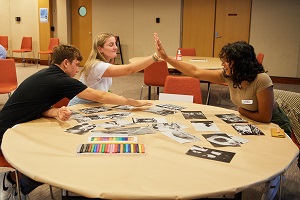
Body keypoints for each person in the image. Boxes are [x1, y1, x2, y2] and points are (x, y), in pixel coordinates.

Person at [0, 44, 152, 199]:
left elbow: (36, 105)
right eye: (76, 65)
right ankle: (12, 181)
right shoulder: (60, 79)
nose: (77, 70)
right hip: (7, 134)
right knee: (56, 157)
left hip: (16, 124)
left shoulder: (46, 73)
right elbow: (99, 96)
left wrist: (56, 111)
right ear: (66, 63)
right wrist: (133, 102)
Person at [154, 33, 291, 200]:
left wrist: (241, 110)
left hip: (274, 125)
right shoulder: (230, 76)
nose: (223, 64)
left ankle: (273, 180)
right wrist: (167, 57)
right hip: (249, 120)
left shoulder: (261, 80)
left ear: (241, 62)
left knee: (264, 161)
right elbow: (195, 72)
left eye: (227, 61)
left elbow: (264, 117)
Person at [68, 32, 160, 106]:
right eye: (111, 45)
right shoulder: (97, 66)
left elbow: (103, 90)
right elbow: (129, 70)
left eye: (115, 44)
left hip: (94, 104)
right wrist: (155, 56)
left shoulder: (103, 64)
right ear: (100, 49)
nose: (115, 48)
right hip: (80, 106)